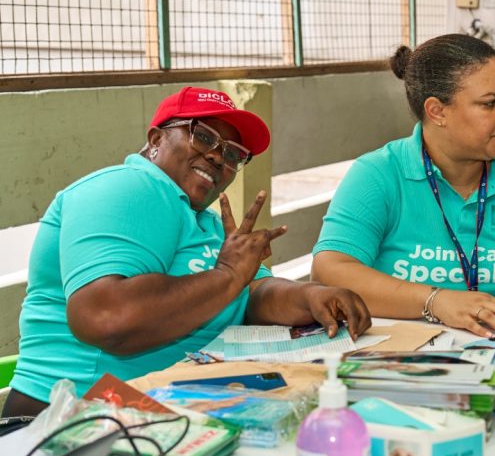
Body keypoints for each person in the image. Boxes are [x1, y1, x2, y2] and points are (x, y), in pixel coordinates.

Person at [4, 87, 371, 418]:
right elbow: (108, 317)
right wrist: (228, 274)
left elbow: (255, 293)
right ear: (156, 140)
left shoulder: (207, 223)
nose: (217, 157)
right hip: (75, 417)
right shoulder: (129, 186)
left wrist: (312, 295)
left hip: (168, 408)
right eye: (203, 136)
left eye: (232, 153)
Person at [311, 35, 495, 338]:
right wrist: (435, 301)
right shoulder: (378, 175)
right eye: (490, 103)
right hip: (405, 359)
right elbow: (329, 270)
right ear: (437, 111)